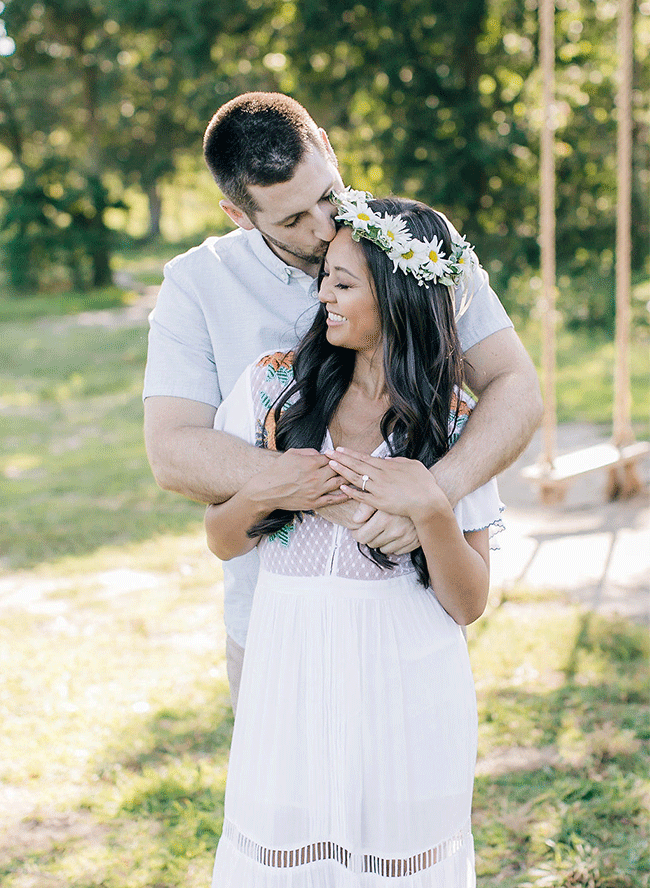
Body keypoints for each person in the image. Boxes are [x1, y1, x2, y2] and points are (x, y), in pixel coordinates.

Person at [142, 92, 541, 712]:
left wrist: (430, 493)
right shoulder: (198, 283)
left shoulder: (412, 247)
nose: (324, 228)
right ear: (239, 215)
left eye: (327, 195)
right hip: (274, 624)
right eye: (292, 219)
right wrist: (302, 483)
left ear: (326, 146)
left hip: (407, 620)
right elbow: (171, 451)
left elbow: (515, 387)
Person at [204, 192, 504, 885]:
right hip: (290, 682)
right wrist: (271, 488)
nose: (323, 294)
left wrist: (429, 506)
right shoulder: (276, 388)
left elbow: (469, 602)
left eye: (342, 282)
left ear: (398, 296)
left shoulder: (454, 419)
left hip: (407, 690)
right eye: (324, 277)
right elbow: (221, 539)